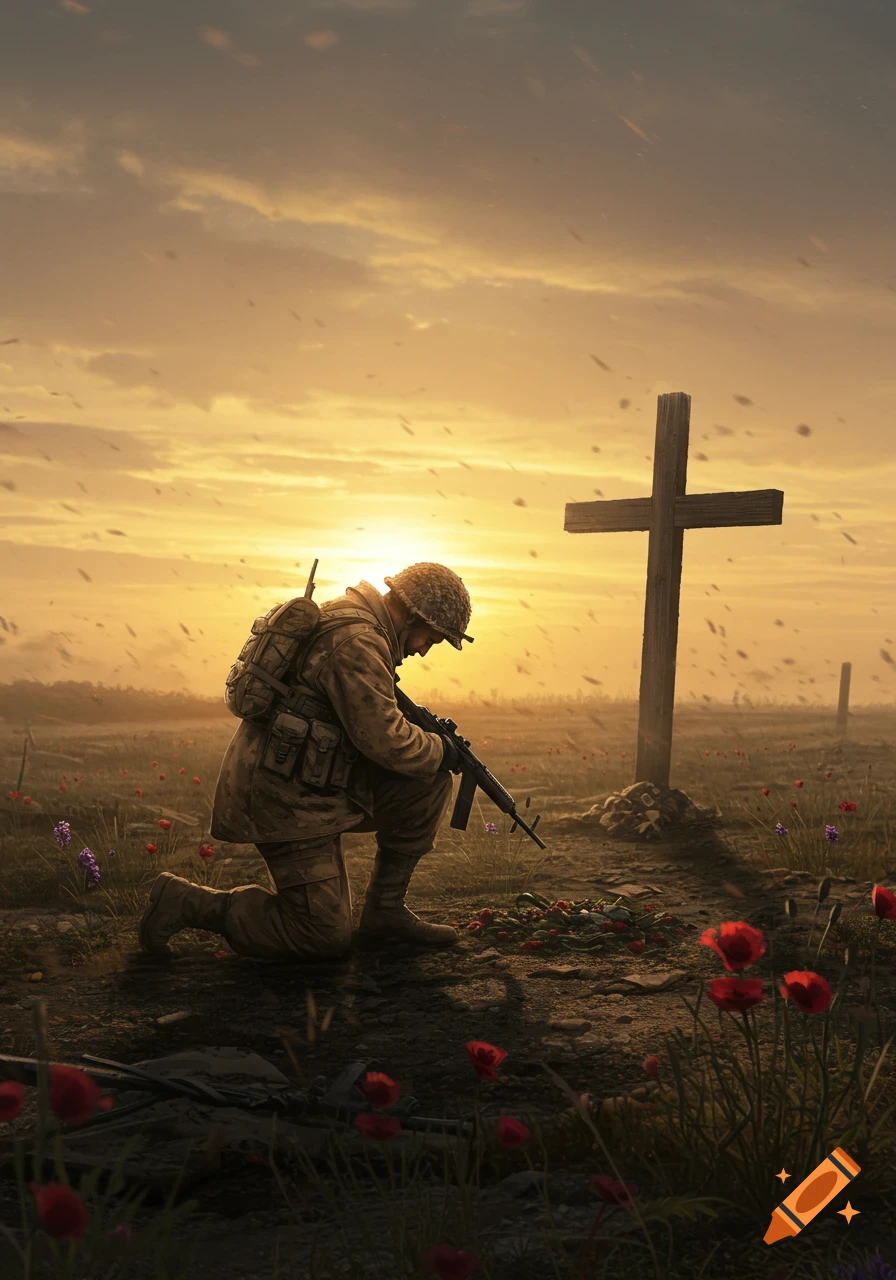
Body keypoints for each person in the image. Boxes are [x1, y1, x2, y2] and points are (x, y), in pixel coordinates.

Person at [138, 562, 473, 962]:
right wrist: (441, 749)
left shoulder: (357, 625)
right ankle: (187, 902)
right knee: (320, 936)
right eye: (430, 639)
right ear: (416, 616)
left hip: (313, 784)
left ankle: (384, 911)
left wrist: (435, 752)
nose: (422, 650)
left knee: (426, 783)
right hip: (283, 797)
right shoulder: (358, 642)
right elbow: (388, 741)